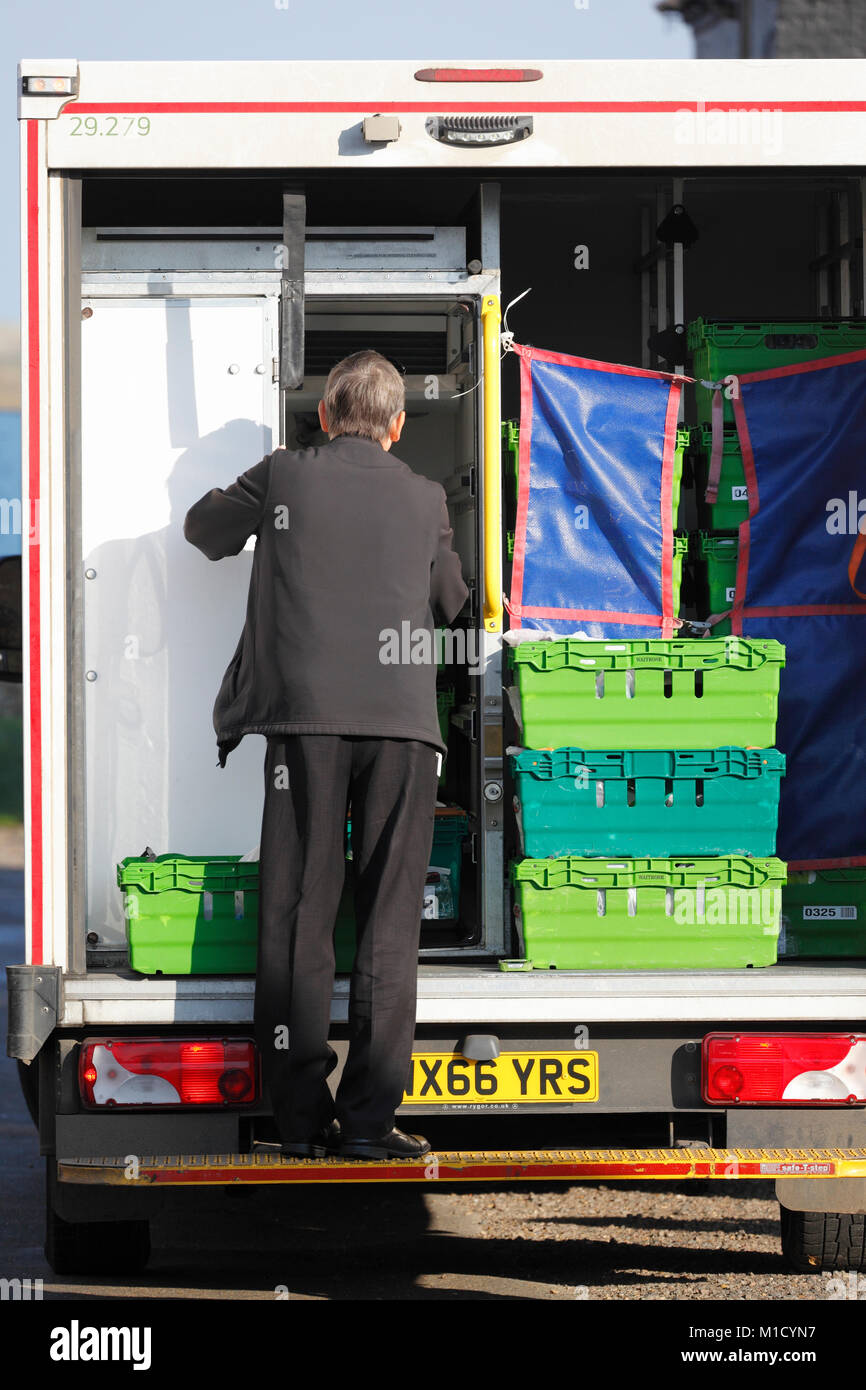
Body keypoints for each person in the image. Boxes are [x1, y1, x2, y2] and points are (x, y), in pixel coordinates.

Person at [183, 350, 469, 1160]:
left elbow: (203, 531)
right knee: (386, 925)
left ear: (326, 415)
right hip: (404, 731)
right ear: (398, 425)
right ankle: (370, 1126)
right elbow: (455, 605)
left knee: (302, 915)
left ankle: (301, 1123)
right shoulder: (423, 498)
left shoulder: (281, 475)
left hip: (304, 729)